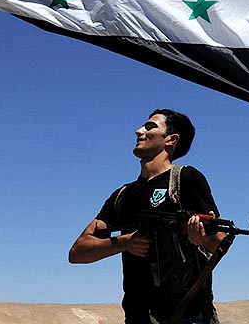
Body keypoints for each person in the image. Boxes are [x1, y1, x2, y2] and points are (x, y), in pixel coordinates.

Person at [69, 109, 225, 324]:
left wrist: (202, 238)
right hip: (137, 316)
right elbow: (78, 252)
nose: (138, 131)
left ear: (171, 139)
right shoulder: (123, 195)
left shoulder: (185, 179)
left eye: (150, 127)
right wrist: (125, 242)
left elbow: (220, 242)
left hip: (186, 315)